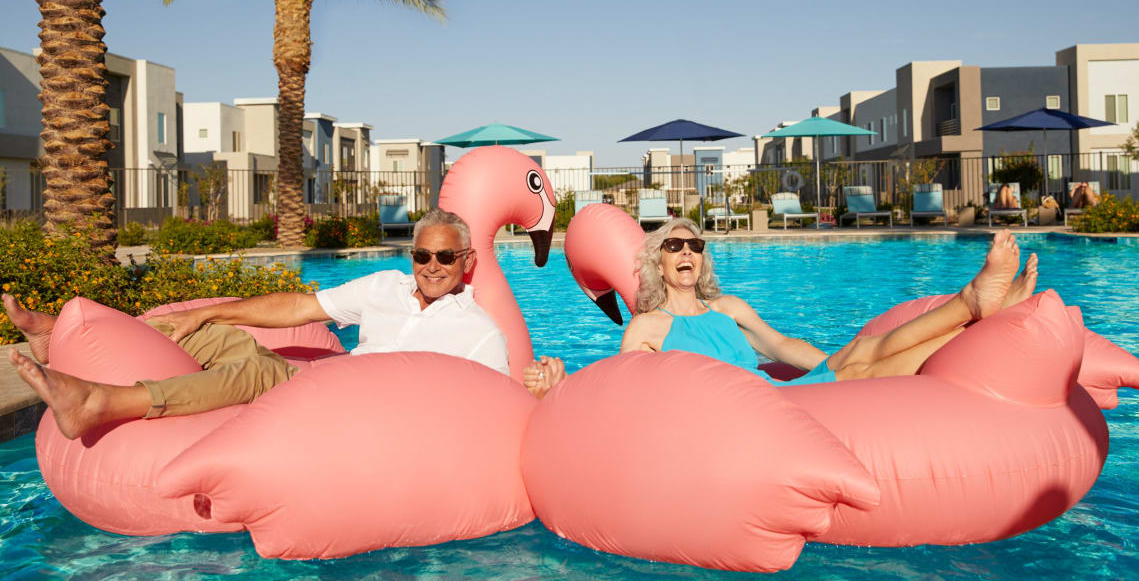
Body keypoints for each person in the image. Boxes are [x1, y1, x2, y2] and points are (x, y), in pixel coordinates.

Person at [7, 208, 508, 440]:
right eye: (423, 253)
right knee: (213, 334)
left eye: (445, 255)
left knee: (252, 370)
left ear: (466, 260)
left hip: (360, 408)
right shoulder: (385, 287)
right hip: (326, 381)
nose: (432, 264)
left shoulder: (479, 330)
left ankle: (100, 402)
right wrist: (207, 311)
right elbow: (296, 308)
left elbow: (496, 411)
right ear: (411, 253)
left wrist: (540, 392)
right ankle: (64, 335)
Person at [524, 218, 1038, 398]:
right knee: (859, 364)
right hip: (749, 416)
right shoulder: (647, 325)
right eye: (673, 247)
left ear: (703, 263)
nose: (685, 252)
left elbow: (781, 347)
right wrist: (563, 386)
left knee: (860, 355)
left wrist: (833, 366)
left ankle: (975, 306)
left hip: (775, 395)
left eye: (695, 247)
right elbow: (624, 385)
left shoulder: (728, 307)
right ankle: (975, 306)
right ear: (658, 264)